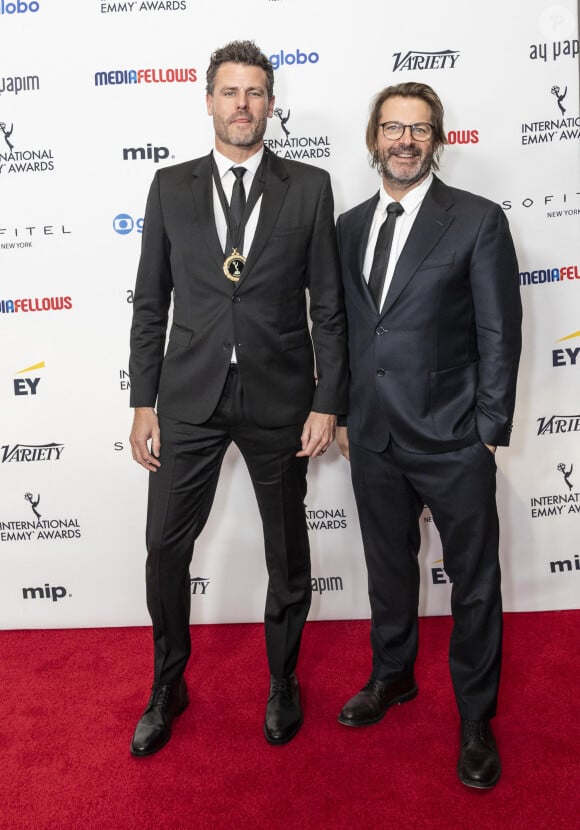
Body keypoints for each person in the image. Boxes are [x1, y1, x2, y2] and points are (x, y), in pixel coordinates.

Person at [128, 40, 347, 757]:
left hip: (281, 398)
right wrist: (142, 400)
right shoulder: (169, 186)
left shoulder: (309, 187)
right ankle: (168, 683)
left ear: (271, 105)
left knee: (288, 554)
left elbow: (329, 308)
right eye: (230, 92)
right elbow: (150, 302)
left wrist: (327, 400)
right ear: (210, 100)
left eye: (255, 92)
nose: (242, 105)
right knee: (165, 546)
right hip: (187, 396)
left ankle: (282, 682)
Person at [335, 82, 521, 789]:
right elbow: (351, 331)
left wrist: (487, 432)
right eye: (392, 128)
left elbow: (500, 332)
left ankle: (476, 716)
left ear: (436, 139)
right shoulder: (349, 225)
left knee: (474, 584)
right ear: (373, 138)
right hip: (374, 437)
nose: (404, 140)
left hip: (453, 438)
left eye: (418, 129)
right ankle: (393, 677)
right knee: (388, 570)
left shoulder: (476, 220)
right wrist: (348, 413)